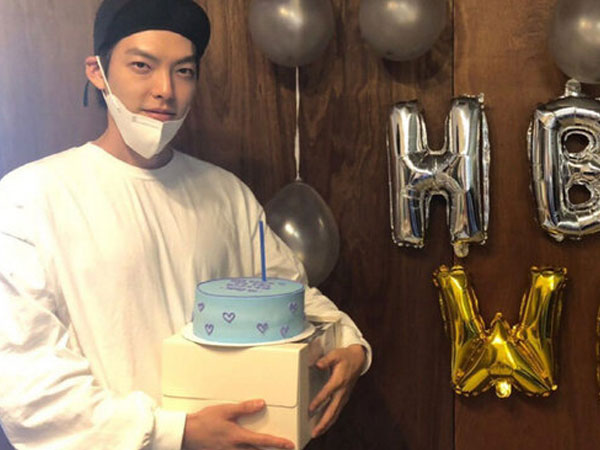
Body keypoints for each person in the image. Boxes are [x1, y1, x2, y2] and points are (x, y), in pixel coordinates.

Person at [0, 0, 372, 449]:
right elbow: (26, 380)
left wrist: (350, 344)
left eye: (184, 71)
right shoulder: (28, 198)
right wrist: (175, 433)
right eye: (142, 65)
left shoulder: (225, 193)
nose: (165, 90)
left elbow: (285, 295)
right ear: (98, 72)